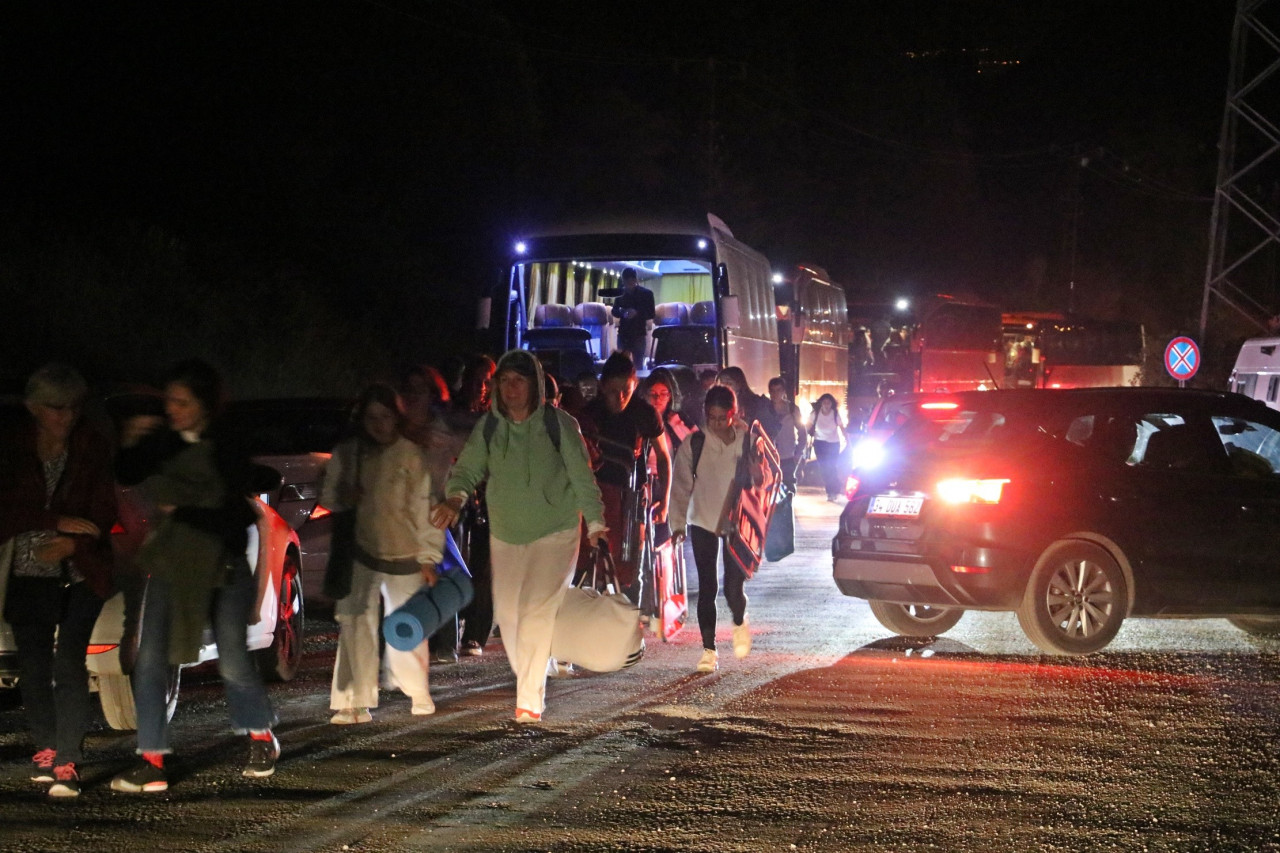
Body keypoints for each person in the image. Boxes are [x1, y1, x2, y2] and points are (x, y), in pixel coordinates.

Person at [111, 359, 279, 793]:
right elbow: (127, 471)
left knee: (233, 656)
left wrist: (183, 510)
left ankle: (260, 734)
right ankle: (152, 758)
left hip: (222, 563)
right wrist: (132, 443)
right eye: (170, 401)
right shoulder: (163, 441)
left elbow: (234, 512)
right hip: (172, 561)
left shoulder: (226, 444)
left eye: (182, 402)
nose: (174, 410)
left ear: (204, 405)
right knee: (149, 658)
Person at [430, 350, 606, 723]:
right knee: (509, 616)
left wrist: (595, 524)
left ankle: (529, 699)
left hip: (556, 532)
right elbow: (468, 469)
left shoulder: (560, 425)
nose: (510, 389)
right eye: (504, 381)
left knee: (537, 612)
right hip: (507, 534)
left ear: (535, 384)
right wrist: (455, 498)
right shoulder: (490, 427)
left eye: (518, 380)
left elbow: (581, 477)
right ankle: (531, 670)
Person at [0, 364, 117, 798]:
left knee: (69, 662)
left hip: (79, 571)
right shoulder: (13, 447)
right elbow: (9, 508)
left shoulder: (91, 447)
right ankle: (47, 746)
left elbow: (102, 514)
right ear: (33, 408)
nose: (64, 417)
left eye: (72, 408)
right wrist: (54, 521)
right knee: (33, 666)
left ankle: (69, 757)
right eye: (54, 408)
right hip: (27, 570)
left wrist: (73, 545)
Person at [325, 383, 443, 724]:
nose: (378, 424)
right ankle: (352, 700)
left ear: (397, 418)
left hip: (405, 556)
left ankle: (417, 691)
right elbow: (330, 498)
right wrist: (344, 494)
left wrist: (428, 556)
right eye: (371, 417)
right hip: (362, 553)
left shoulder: (409, 454)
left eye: (385, 417)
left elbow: (425, 506)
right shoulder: (349, 453)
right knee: (354, 624)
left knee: (406, 628)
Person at [668, 385, 753, 673]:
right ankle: (709, 649)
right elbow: (680, 486)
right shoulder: (695, 443)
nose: (716, 424)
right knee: (708, 586)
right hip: (702, 520)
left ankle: (740, 622)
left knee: (732, 587)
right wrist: (677, 524)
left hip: (735, 524)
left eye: (722, 418)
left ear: (734, 413)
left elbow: (763, 479)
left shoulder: (747, 440)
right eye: (711, 417)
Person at [577, 353, 671, 602]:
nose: (619, 398)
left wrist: (664, 498)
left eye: (625, 391)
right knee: (589, 562)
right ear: (602, 386)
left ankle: (630, 621)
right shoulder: (589, 414)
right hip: (594, 495)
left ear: (635, 386)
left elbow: (663, 456)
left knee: (630, 565)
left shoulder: (645, 413)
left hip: (632, 496)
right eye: (612, 391)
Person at [399, 365, 465, 665]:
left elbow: (471, 460)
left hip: (433, 513)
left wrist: (457, 496)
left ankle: (446, 641)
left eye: (420, 389)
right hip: (397, 515)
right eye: (409, 388)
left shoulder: (442, 431)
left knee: (444, 572)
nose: (413, 396)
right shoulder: (392, 430)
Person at [762, 377, 806, 493]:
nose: (775, 393)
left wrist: (798, 454)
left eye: (778, 390)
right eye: (772, 390)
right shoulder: (765, 409)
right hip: (769, 457)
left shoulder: (792, 409)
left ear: (783, 391)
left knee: (788, 488)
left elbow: (802, 432)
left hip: (788, 456)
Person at [642, 367, 697, 453]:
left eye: (663, 394)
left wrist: (677, 425)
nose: (658, 399)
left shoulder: (679, 417)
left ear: (670, 396)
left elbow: (699, 446)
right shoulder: (638, 418)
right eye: (652, 394)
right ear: (645, 395)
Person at [610, 268, 656, 368]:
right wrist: (623, 312)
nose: (628, 286)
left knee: (638, 366)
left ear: (635, 280)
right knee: (621, 367)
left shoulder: (646, 294)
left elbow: (651, 313)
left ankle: (637, 383)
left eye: (630, 282)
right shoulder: (620, 294)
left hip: (638, 334)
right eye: (626, 283)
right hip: (623, 334)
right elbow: (614, 311)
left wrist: (637, 312)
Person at [809, 393, 847, 501]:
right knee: (824, 468)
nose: (826, 405)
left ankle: (832, 491)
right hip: (819, 443)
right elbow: (808, 426)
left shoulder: (835, 414)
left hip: (833, 444)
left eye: (828, 403)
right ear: (821, 403)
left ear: (832, 404)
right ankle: (833, 489)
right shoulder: (815, 414)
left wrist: (847, 441)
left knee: (831, 466)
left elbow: (842, 427)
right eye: (824, 402)